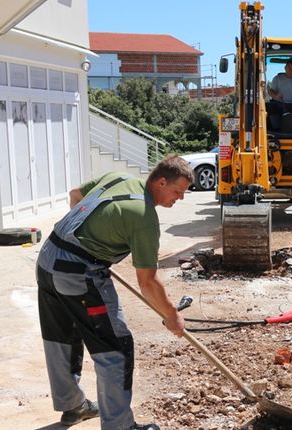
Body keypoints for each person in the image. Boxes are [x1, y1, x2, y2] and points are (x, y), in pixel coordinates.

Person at [36, 155, 193, 430]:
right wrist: (171, 314)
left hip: (48, 260)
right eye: (177, 191)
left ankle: (72, 407)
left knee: (61, 337)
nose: (179, 198)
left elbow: (75, 195)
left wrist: (88, 243)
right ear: (161, 181)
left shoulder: (119, 178)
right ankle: (119, 425)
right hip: (78, 276)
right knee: (115, 347)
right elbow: (148, 281)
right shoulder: (144, 217)